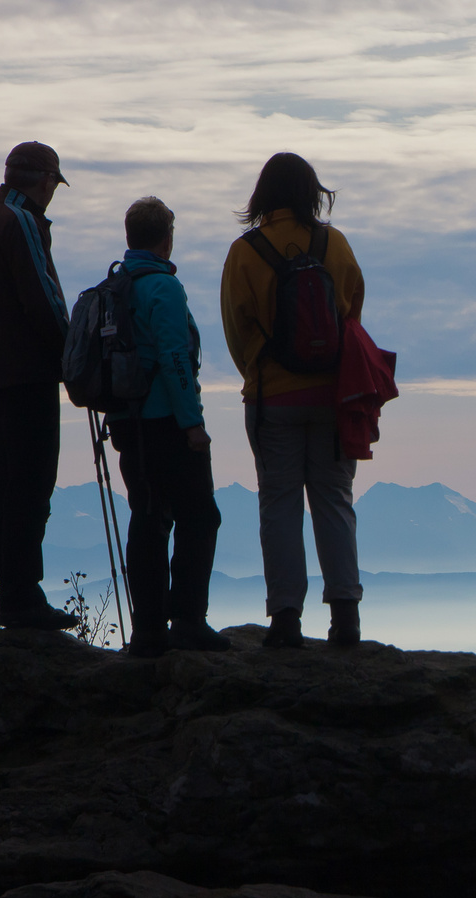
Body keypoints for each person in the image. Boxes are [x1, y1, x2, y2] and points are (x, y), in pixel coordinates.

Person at [220, 153, 365, 648]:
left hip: (271, 400)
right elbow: (352, 319)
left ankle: (285, 619)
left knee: (279, 506)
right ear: (311, 192)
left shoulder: (245, 253)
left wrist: (261, 375)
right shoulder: (336, 245)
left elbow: (236, 333)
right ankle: (346, 617)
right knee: (334, 503)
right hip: (331, 397)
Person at [0, 141, 80, 630]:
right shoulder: (21, 222)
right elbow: (44, 300)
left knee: (7, 483)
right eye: (54, 183)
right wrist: (74, 356)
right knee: (32, 484)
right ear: (42, 180)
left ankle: (12, 592)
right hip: (27, 372)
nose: (53, 192)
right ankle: (23, 595)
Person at [108, 197, 227, 658]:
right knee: (200, 516)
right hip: (165, 422)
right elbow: (177, 358)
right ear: (166, 239)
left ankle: (150, 629)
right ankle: (190, 622)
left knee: (148, 515)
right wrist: (192, 425)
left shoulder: (115, 286)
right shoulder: (163, 287)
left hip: (124, 422)